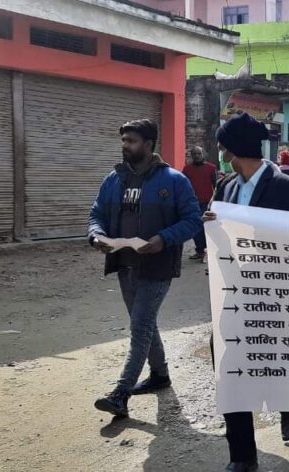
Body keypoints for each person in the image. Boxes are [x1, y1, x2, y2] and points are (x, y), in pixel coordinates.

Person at [202, 112, 289, 472]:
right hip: (233, 293)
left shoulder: (286, 186)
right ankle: (242, 457)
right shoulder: (226, 187)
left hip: (275, 297)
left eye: (223, 147)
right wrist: (211, 226)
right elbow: (219, 232)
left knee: (278, 365)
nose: (220, 153)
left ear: (235, 148)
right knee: (229, 368)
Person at [88, 119, 202, 417]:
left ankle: (120, 393)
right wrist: (96, 235)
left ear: (149, 144)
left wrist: (163, 239)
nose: (125, 145)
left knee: (140, 326)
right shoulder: (114, 179)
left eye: (132, 140)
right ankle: (160, 375)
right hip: (124, 264)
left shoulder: (174, 181)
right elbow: (97, 213)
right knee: (145, 323)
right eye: (123, 140)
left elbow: (193, 220)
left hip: (157, 265)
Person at [182, 146, 218, 262]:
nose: (197, 156)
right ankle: (200, 251)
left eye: (199, 153)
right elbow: (183, 186)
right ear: (191, 155)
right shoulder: (187, 169)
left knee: (206, 228)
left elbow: (216, 186)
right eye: (194, 154)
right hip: (192, 203)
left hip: (207, 203)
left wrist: (216, 201)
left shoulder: (211, 168)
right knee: (195, 227)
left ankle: (208, 251)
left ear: (203, 154)